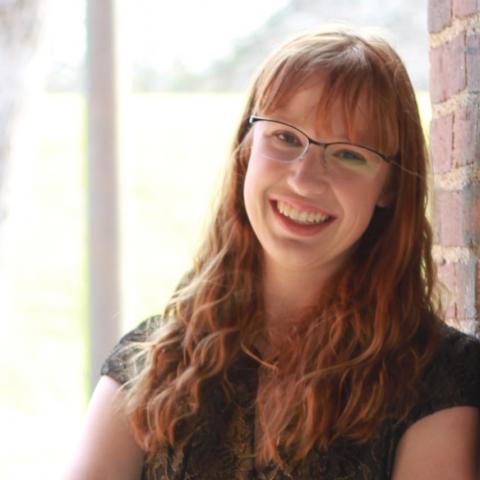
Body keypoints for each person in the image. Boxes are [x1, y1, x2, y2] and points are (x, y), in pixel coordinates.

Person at [65, 26, 480, 479]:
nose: (304, 179)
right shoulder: (146, 364)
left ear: (390, 187)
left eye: (348, 155)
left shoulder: (440, 378)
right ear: (246, 151)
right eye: (284, 138)